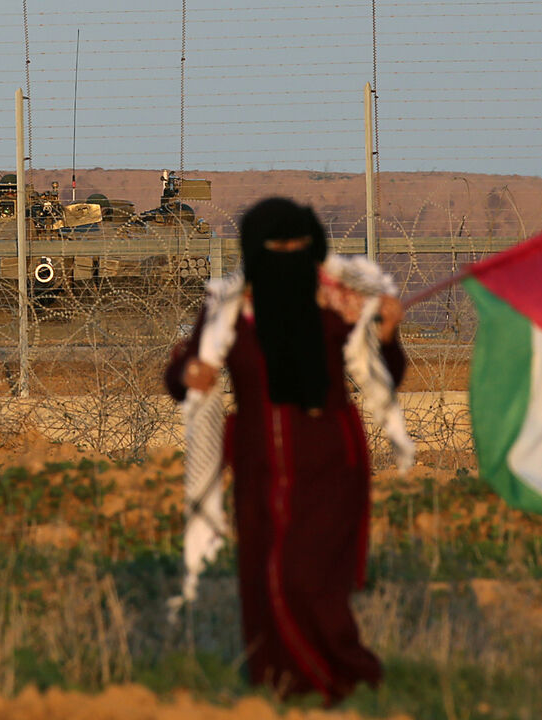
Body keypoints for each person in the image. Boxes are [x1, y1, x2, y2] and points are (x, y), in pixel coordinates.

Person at [164, 197, 405, 705]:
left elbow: (389, 370)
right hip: (257, 462)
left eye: (300, 248)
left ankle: (344, 678)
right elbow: (182, 368)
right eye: (279, 249)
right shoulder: (228, 307)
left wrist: (386, 332)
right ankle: (277, 687)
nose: (290, 257)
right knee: (262, 574)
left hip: (328, 460)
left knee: (308, 576)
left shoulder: (341, 302)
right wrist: (191, 375)